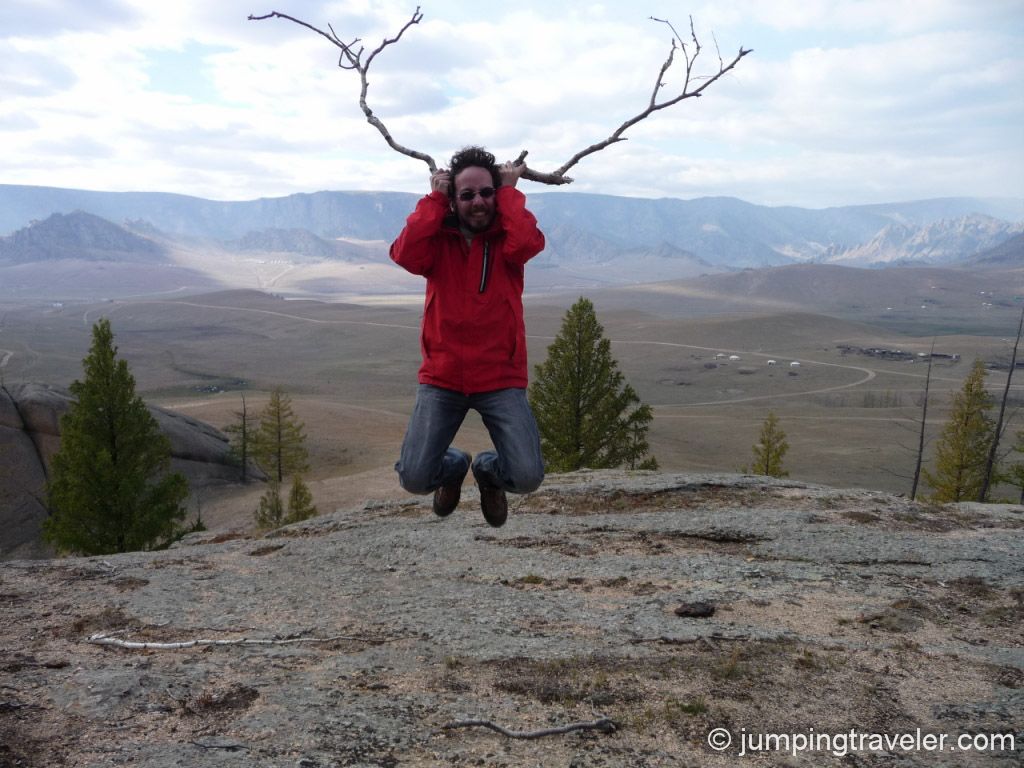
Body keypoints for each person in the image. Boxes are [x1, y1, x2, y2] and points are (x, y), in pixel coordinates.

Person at [390, 146, 546, 527]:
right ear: (452, 200)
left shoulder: (507, 239)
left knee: (526, 476)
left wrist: (510, 192)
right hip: (443, 377)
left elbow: (528, 243)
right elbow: (405, 254)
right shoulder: (437, 241)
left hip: (499, 377)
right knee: (414, 478)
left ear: (497, 193)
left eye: (486, 192)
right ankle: (455, 466)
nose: (478, 202)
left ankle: (489, 472)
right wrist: (432, 199)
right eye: (466, 194)